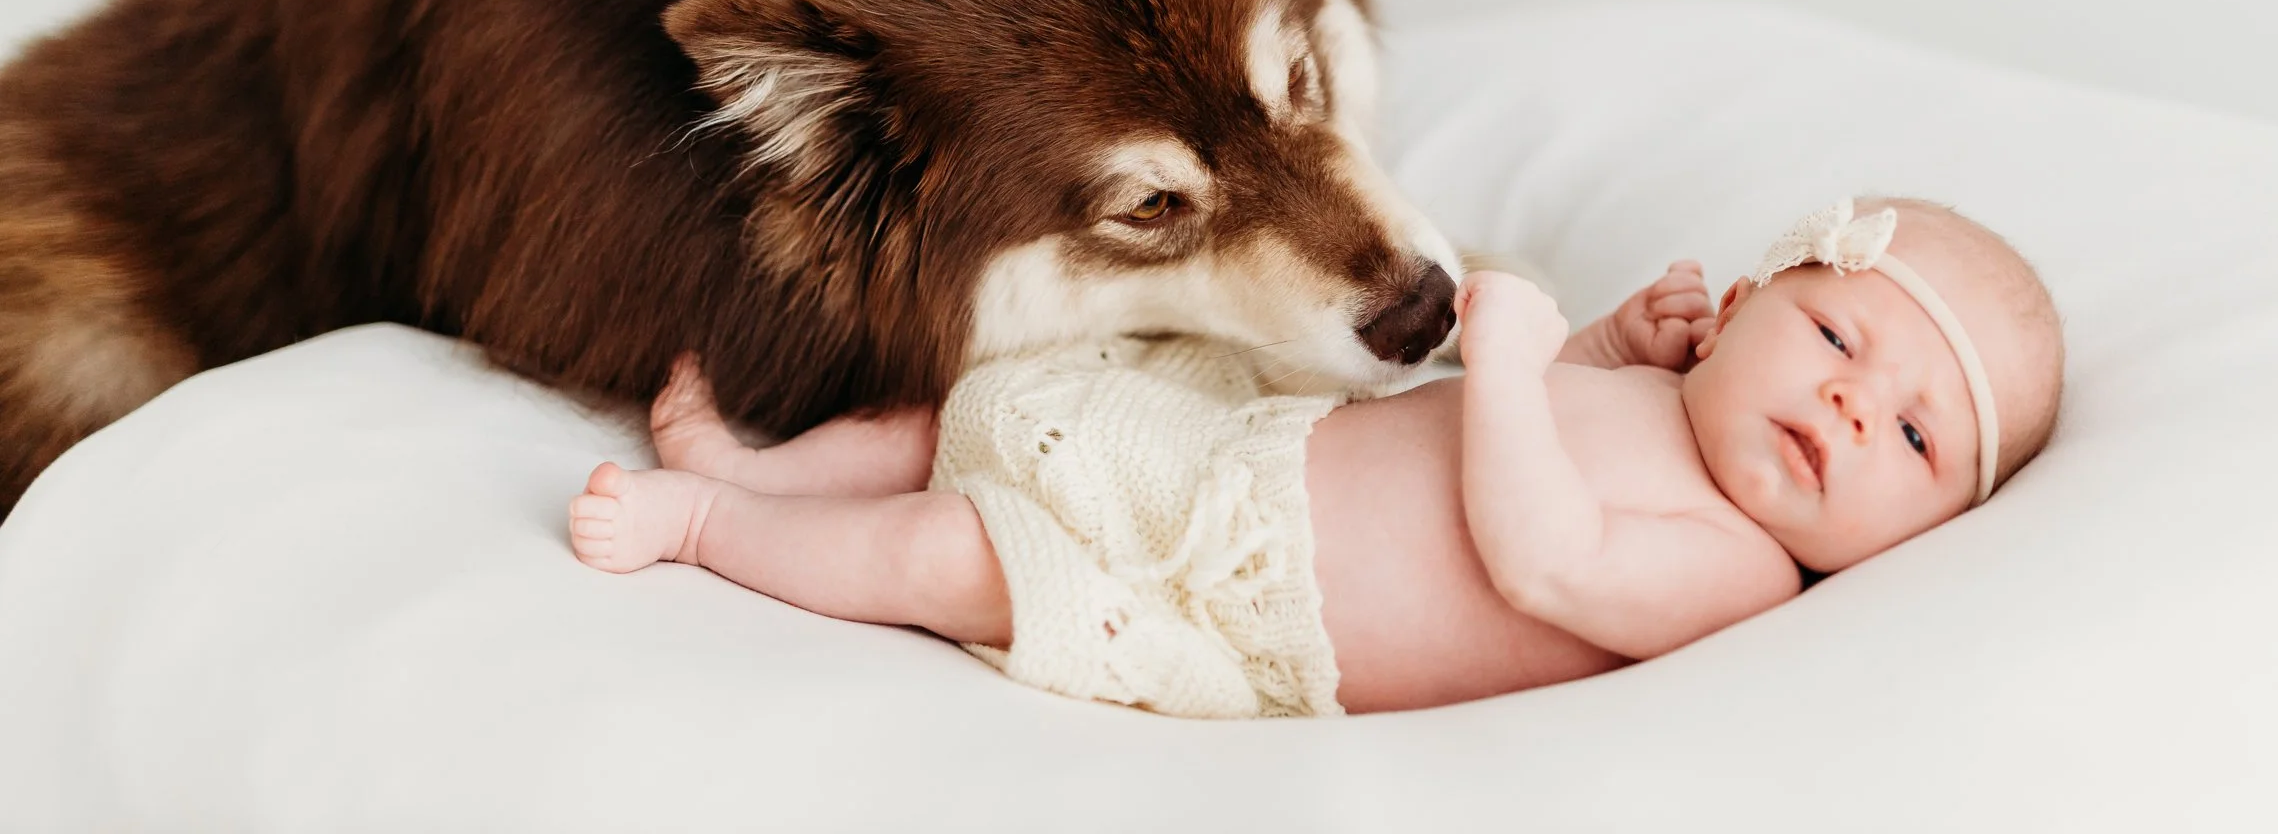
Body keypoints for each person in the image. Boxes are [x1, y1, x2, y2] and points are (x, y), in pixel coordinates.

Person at [567, 197, 2066, 716]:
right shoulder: (1658, 399)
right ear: (1736, 309)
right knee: (1004, 397)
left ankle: (709, 526)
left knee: (951, 553)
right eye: (1832, 339)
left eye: (1919, 435)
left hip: (1241, 606)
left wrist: (1524, 358)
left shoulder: (1738, 574)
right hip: (1244, 448)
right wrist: (1602, 342)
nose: (1858, 407)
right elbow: (1558, 405)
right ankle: (766, 465)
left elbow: (1545, 553)